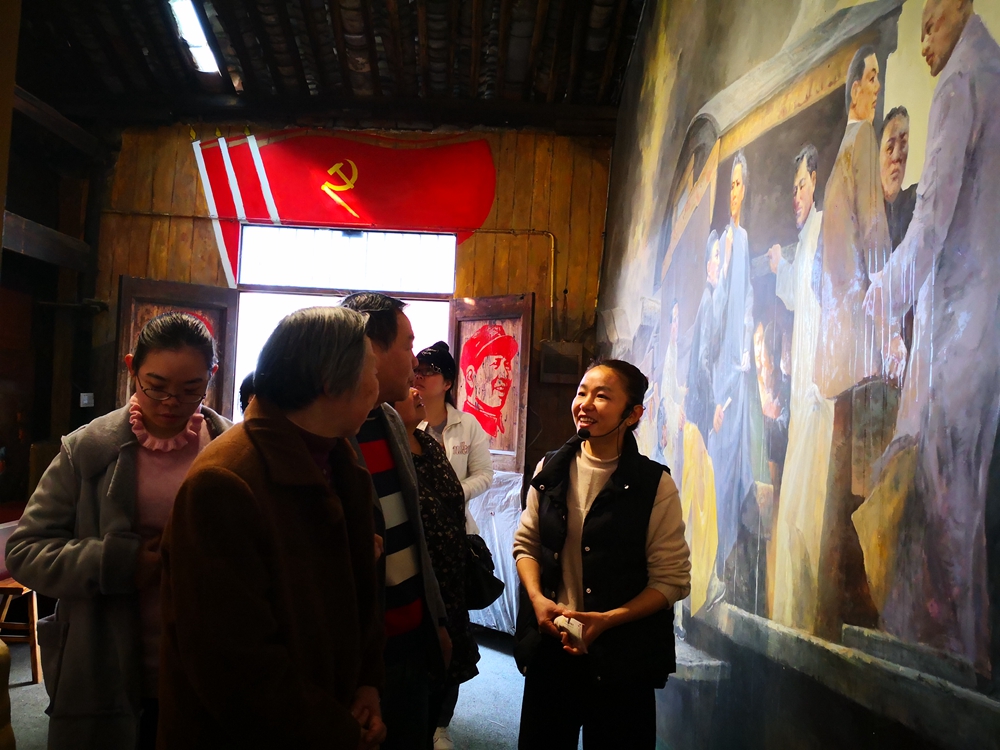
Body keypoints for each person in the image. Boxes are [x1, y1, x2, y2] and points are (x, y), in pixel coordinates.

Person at [157, 306, 385, 748]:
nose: (377, 388)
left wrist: (367, 683)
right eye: (370, 371)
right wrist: (339, 732)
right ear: (329, 382)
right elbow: (234, 667)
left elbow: (360, 597)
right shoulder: (223, 483)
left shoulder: (336, 457)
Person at [5, 312, 230, 750]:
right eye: (156, 386)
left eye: (191, 389)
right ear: (131, 368)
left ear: (212, 375)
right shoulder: (87, 449)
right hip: (102, 663)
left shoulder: (228, 447)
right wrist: (118, 563)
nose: (171, 402)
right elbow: (25, 551)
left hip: (205, 666)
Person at [861, 0, 1000, 679]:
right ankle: (967, 663)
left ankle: (949, 671)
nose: (923, 41)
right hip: (985, 330)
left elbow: (933, 219)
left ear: (962, 5)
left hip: (959, 336)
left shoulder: (961, 81)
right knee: (967, 514)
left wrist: (879, 296)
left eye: (930, 23)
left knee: (944, 512)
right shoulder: (995, 72)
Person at [513, 359, 691, 749]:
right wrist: (538, 599)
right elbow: (526, 544)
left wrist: (605, 621)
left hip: (622, 661)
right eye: (582, 392)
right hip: (552, 648)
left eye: (602, 396)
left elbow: (672, 580)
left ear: (633, 414)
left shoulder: (654, 485)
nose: (585, 404)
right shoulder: (550, 469)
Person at [341, 292, 451, 750]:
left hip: (412, 637)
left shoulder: (389, 418)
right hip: (358, 652)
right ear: (371, 348)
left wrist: (435, 619)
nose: (415, 360)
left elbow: (414, 533)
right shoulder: (333, 429)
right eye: (407, 345)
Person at [766, 145, 837, 632]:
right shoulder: (807, 235)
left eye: (802, 185)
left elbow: (818, 295)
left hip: (818, 386)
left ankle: (804, 616)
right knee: (794, 500)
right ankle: (791, 613)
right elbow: (795, 296)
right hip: (804, 386)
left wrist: (782, 269)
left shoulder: (825, 228)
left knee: (808, 502)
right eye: (792, 189)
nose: (796, 195)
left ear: (816, 183)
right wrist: (780, 267)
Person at [412, 341, 492, 749]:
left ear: (446, 382)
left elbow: (485, 474)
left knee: (453, 627)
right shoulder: (404, 422)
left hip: (456, 536)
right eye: (417, 369)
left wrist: (452, 493)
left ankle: (441, 724)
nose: (420, 377)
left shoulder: (467, 425)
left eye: (429, 371)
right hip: (415, 537)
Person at [394, 387, 482, 750]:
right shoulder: (388, 451)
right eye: (406, 386)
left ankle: (440, 725)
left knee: (449, 660)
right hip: (418, 583)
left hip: (451, 577)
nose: (416, 389)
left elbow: (469, 484)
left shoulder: (429, 444)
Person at [813, 45, 900, 400]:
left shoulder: (837, 165)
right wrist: (890, 331)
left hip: (834, 355)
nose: (878, 87)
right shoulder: (864, 137)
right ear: (855, 90)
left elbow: (816, 275)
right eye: (872, 78)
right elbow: (875, 234)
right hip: (861, 350)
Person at [707, 151, 757, 603]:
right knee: (717, 468)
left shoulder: (742, 240)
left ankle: (729, 565)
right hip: (720, 369)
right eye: (731, 185)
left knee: (737, 468)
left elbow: (745, 301)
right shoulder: (723, 242)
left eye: (740, 184)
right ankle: (713, 565)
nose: (734, 192)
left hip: (737, 372)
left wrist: (747, 339)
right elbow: (718, 308)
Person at [458, 324, 519, 439]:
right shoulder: (462, 430)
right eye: (495, 364)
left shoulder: (505, 429)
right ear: (470, 376)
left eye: (507, 365)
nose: (505, 375)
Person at [880, 106, 917, 251]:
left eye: (903, 145)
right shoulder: (865, 213)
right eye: (890, 147)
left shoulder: (916, 204)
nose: (896, 156)